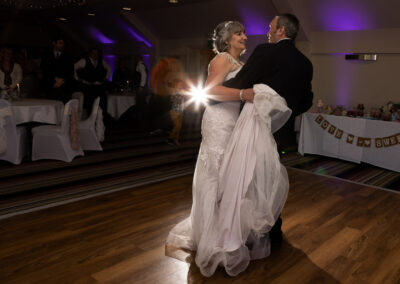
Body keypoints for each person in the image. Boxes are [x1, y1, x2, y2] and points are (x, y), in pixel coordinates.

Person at [166, 20, 291, 277]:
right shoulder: (222, 59)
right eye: (239, 33)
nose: (245, 37)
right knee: (217, 177)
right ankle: (213, 240)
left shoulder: (242, 65)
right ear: (226, 40)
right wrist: (244, 94)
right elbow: (211, 91)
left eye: (244, 33)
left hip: (235, 123)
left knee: (232, 179)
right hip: (218, 123)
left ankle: (226, 232)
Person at [223, 13, 314, 248]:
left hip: (256, 126)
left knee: (249, 177)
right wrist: (282, 112)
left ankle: (245, 230)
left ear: (281, 31)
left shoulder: (266, 51)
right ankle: (272, 230)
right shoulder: (306, 63)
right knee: (271, 178)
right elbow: (306, 101)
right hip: (282, 134)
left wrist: (216, 89)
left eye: (270, 27)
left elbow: (243, 81)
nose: (267, 31)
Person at [74, 47, 111, 118]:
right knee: (90, 105)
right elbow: (73, 67)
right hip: (88, 86)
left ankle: (102, 119)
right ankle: (89, 121)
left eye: (97, 53)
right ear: (90, 54)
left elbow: (109, 68)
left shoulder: (101, 61)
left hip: (99, 86)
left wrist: (106, 78)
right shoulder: (84, 61)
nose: (95, 55)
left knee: (102, 104)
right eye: (93, 53)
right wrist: (77, 78)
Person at [40, 36, 75, 103]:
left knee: (63, 106)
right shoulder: (46, 55)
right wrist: (54, 79)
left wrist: (62, 81)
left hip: (64, 87)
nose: (62, 45)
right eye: (60, 43)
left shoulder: (68, 56)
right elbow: (44, 69)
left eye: (63, 43)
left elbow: (71, 71)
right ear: (54, 43)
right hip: (50, 85)